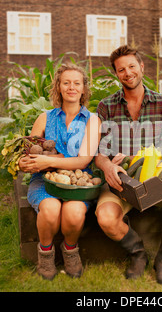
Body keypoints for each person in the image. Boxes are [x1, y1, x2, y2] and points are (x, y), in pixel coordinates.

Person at [95, 45, 162, 285]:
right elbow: (97, 152)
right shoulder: (106, 107)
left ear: (141, 67)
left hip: (160, 180)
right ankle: (138, 253)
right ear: (116, 74)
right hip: (122, 182)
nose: (128, 72)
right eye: (121, 69)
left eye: (132, 66)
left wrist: (140, 159)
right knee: (106, 218)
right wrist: (108, 166)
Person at [19, 64, 100, 280]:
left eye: (77, 83)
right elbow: (30, 152)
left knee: (73, 214)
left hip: (78, 182)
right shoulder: (45, 118)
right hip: (45, 180)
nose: (71, 87)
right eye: (66, 83)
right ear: (59, 87)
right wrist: (25, 162)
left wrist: (49, 160)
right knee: (51, 210)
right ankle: (45, 254)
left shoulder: (92, 120)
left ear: (84, 89)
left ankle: (70, 250)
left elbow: (84, 159)